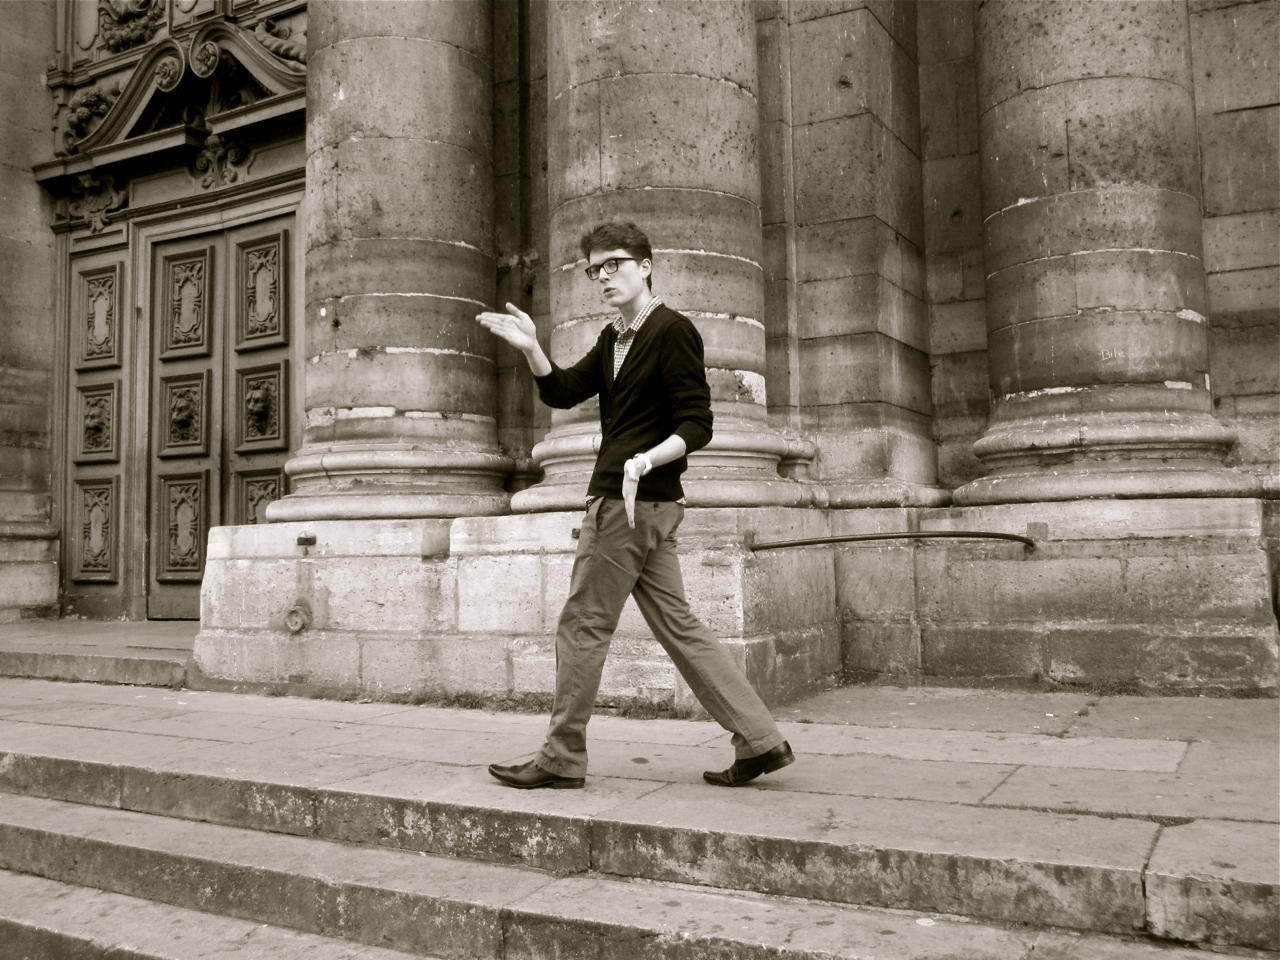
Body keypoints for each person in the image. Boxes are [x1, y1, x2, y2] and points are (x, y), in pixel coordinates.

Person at [476, 221, 794, 790]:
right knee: (680, 626)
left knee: (582, 625)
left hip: (627, 504)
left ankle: (560, 758)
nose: (603, 276)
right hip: (648, 508)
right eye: (594, 269)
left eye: (614, 264)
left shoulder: (672, 331)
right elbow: (563, 391)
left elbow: (697, 422)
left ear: (645, 266)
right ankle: (760, 739)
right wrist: (532, 349)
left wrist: (645, 460)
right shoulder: (613, 338)